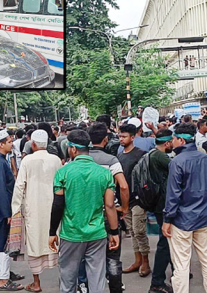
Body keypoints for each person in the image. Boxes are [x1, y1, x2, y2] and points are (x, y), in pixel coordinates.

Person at [48, 129, 120, 293]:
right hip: (97, 234)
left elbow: (58, 205)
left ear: (72, 149)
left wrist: (52, 232)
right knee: (97, 279)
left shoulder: (63, 172)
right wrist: (114, 232)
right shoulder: (104, 174)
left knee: (68, 280)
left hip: (71, 234)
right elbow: (109, 206)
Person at [162, 123, 207, 293]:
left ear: (180, 140)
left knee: (181, 264)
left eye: (173, 138)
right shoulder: (206, 159)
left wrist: (167, 219)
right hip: (203, 217)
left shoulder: (177, 162)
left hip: (181, 220)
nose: (172, 141)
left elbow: (173, 195)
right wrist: (206, 208)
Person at [80, 122, 130, 293]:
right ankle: (115, 287)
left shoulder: (79, 160)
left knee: (88, 255)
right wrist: (123, 207)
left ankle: (87, 286)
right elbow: (123, 186)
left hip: (85, 214)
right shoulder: (111, 160)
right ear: (106, 139)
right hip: (109, 214)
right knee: (113, 255)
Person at [11, 130, 63, 292]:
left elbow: (19, 186)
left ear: (32, 144)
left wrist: (15, 210)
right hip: (55, 207)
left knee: (34, 243)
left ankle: (36, 283)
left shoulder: (27, 161)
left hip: (33, 208)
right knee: (58, 241)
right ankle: (65, 282)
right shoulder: (56, 160)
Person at [0, 130, 25, 291]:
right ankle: (3, 280)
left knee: (5, 243)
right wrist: (6, 213)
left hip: (0, 209)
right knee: (2, 243)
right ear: (1, 144)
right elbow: (1, 190)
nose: (12, 144)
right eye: (9, 142)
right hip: (1, 210)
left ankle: (6, 273)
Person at [118, 123, 151, 276]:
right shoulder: (119, 155)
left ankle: (145, 261)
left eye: (124, 136)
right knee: (132, 231)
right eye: (120, 136)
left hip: (139, 199)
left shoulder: (142, 154)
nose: (121, 139)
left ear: (133, 137)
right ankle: (137, 260)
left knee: (139, 231)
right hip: (125, 200)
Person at [148, 129, 175, 293]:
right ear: (167, 143)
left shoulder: (152, 153)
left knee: (168, 241)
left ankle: (177, 270)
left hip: (159, 203)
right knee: (165, 243)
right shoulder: (161, 157)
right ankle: (157, 282)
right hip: (162, 205)